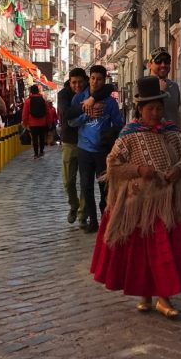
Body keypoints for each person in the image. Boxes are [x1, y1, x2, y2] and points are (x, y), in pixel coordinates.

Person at [90, 77, 181, 318]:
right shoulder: (129, 135)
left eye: (159, 107)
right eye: (150, 108)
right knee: (142, 253)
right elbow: (113, 164)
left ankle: (163, 297)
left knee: (163, 250)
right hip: (140, 204)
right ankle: (146, 295)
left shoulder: (172, 132)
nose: (155, 112)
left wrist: (179, 169)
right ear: (140, 109)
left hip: (168, 203)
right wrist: (139, 171)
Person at [70, 65, 123, 233]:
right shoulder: (79, 98)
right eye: (93, 78)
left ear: (104, 80)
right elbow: (71, 122)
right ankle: (92, 220)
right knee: (86, 186)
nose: (95, 82)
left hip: (103, 151)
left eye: (99, 79)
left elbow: (119, 124)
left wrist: (111, 137)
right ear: (89, 79)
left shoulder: (110, 102)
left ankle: (105, 218)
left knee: (105, 187)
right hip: (84, 149)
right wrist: (88, 115)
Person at [58, 68, 89, 222]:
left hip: (86, 142)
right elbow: (65, 113)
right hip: (69, 142)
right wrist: (86, 106)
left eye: (80, 82)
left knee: (85, 181)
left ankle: (83, 214)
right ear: (69, 82)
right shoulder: (63, 94)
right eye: (74, 82)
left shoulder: (91, 92)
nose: (77, 85)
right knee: (68, 181)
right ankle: (74, 204)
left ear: (85, 81)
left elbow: (107, 89)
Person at [148, 48, 181, 125]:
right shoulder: (143, 85)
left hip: (173, 134)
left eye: (166, 61)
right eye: (158, 61)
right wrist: (160, 92)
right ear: (149, 64)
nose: (163, 65)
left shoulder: (174, 86)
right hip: (152, 135)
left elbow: (177, 115)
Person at [21, 84, 51, 159]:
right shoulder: (43, 100)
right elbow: (48, 112)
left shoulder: (28, 101)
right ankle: (41, 151)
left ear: (31, 92)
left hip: (33, 123)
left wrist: (25, 123)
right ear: (38, 91)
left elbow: (25, 113)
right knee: (41, 138)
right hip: (42, 122)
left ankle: (36, 154)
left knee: (34, 138)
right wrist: (49, 122)